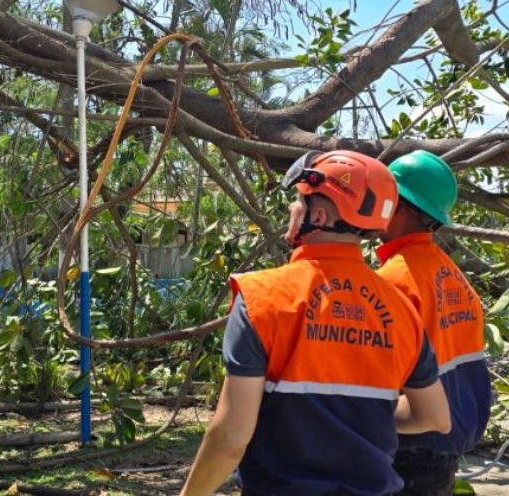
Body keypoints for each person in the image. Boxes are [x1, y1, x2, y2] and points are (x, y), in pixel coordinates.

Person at [180, 150, 451, 496]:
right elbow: (435, 418)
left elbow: (232, 438)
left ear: (318, 216)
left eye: (298, 201)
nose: (293, 210)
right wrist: (354, 423)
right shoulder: (402, 309)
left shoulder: (261, 297)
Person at [376, 150, 491, 495]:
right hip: (445, 446)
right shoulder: (453, 276)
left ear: (396, 203)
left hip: (411, 450)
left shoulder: (394, 280)